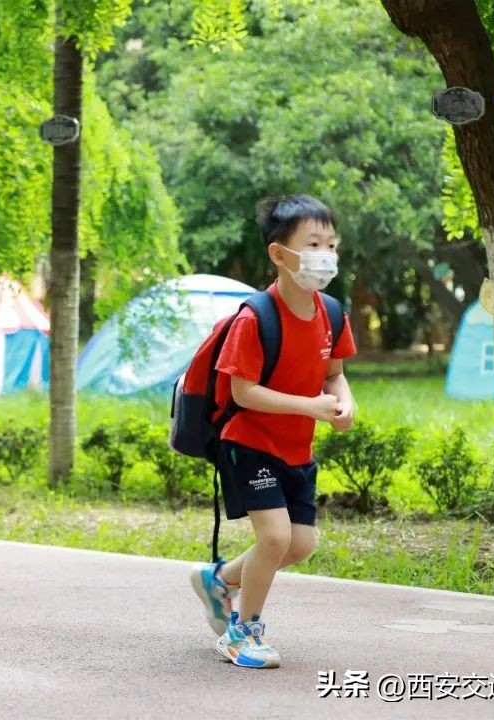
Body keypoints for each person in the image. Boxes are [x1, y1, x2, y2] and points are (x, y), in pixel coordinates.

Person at [190, 195, 357, 668]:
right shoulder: (254, 317)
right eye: (313, 243)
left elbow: (333, 374)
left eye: (331, 243)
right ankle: (243, 631)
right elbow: (243, 393)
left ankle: (219, 579)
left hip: (295, 446)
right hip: (249, 441)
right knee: (275, 537)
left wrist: (344, 402)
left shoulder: (332, 312)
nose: (326, 254)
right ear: (279, 254)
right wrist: (311, 407)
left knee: (300, 544)